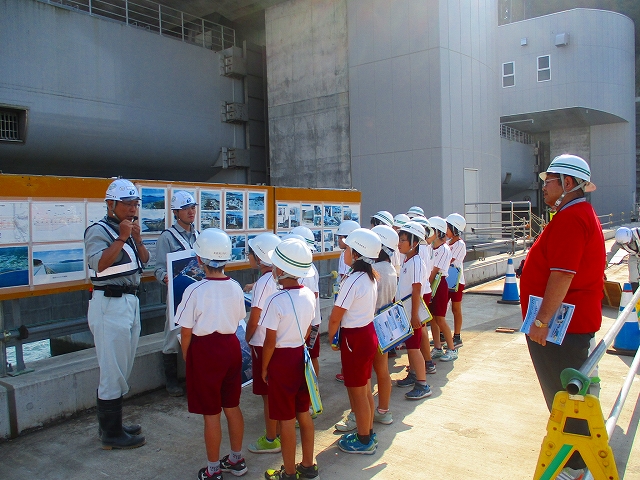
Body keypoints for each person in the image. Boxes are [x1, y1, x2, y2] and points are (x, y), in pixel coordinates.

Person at [520, 154, 604, 480]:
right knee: (568, 396)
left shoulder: (572, 218)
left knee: (565, 399)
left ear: (567, 183)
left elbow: (562, 275)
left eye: (548, 180)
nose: (543, 186)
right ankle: (575, 460)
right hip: (569, 326)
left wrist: (541, 322)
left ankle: (574, 467)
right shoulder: (575, 214)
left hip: (561, 331)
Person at [175, 228, 248, 480]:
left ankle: (213, 469)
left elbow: (186, 332)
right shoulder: (236, 287)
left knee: (211, 414)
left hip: (205, 351)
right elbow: (239, 318)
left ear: (199, 259)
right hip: (230, 348)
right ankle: (237, 459)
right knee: (232, 406)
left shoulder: (194, 291)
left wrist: (188, 357)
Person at [85, 178, 149, 450]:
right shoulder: (98, 230)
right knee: (112, 368)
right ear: (111, 204)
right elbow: (98, 264)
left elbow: (144, 260)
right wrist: (123, 238)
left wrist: (135, 239)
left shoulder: (130, 229)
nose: (132, 209)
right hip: (109, 302)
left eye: (135, 203)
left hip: (129, 301)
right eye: (127, 204)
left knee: (122, 365)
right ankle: (110, 433)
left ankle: (113, 424)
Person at [259, 238, 318, 480]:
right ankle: (307, 465)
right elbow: (306, 332)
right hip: (300, 357)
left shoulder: (276, 300)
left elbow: (269, 341)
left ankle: (289, 472)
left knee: (285, 419)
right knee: (303, 412)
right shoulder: (309, 296)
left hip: (281, 361)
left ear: (281, 270)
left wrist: (264, 368)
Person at [328, 228, 381, 454]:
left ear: (357, 254)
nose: (345, 251)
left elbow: (336, 317)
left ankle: (364, 439)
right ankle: (366, 430)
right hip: (367, 334)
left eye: (348, 248)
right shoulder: (370, 276)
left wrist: (332, 338)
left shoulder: (352, 280)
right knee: (365, 389)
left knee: (358, 392)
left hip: (354, 339)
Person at [154, 190, 199, 397]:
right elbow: (159, 268)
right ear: (175, 212)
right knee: (173, 335)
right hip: (177, 294)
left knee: (197, 334)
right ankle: (171, 381)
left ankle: (194, 377)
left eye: (193, 207)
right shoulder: (167, 237)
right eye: (186, 208)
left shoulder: (199, 235)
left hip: (198, 294)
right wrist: (165, 277)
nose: (191, 212)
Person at [244, 233, 282, 455]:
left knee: (267, 395)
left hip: (261, 343)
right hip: (278, 341)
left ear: (259, 257)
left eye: (250, 253)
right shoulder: (278, 277)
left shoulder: (263, 283)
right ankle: (277, 431)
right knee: (275, 391)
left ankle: (271, 438)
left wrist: (246, 338)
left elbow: (254, 318)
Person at [394, 221, 432, 399]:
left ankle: (423, 384)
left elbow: (417, 289)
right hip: (407, 310)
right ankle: (413, 375)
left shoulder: (416, 262)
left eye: (403, 240)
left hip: (412, 311)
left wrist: (415, 315)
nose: (399, 243)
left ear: (414, 243)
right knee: (410, 347)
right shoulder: (408, 260)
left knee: (414, 348)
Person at [427, 216, 457, 362]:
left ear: (437, 232)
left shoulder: (443, 249)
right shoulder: (431, 247)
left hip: (439, 283)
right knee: (432, 318)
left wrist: (427, 286)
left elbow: (434, 271)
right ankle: (438, 347)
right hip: (432, 283)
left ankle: (451, 348)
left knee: (440, 318)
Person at [333, 219, 360, 383]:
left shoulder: (347, 256)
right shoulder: (343, 254)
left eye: (341, 237)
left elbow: (344, 279)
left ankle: (347, 370)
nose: (338, 240)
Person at [446, 213, 467, 348]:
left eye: (447, 227)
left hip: (456, 281)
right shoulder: (447, 243)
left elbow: (449, 260)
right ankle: (443, 334)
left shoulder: (460, 244)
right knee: (442, 308)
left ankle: (457, 336)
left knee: (455, 308)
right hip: (446, 280)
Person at [607, 226, 640, 291]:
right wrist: (603, 266)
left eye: (627, 242)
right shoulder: (619, 242)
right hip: (634, 256)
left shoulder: (638, 233)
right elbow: (611, 253)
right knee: (633, 276)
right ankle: (634, 291)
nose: (626, 244)